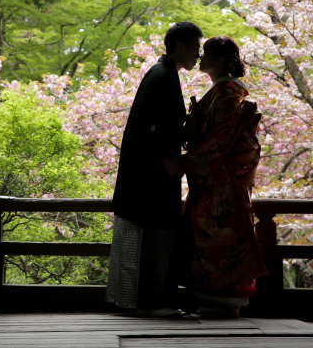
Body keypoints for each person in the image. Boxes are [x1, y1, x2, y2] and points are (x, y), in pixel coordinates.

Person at [106, 21, 203, 317]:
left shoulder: (162, 73)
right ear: (181, 45)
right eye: (196, 47)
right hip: (152, 178)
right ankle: (153, 302)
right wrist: (174, 163)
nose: (198, 55)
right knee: (154, 240)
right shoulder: (163, 76)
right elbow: (155, 131)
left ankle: (149, 300)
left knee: (153, 240)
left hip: (149, 175)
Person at [180, 36, 267, 318]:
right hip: (216, 178)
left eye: (206, 54)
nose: (201, 58)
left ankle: (223, 302)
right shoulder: (225, 91)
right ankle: (216, 302)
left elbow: (219, 140)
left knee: (220, 237)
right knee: (213, 237)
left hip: (221, 181)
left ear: (218, 60)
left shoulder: (228, 93)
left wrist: (185, 162)